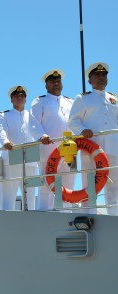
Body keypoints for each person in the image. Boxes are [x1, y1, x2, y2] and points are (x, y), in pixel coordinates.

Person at [68, 62, 118, 215]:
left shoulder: (114, 99)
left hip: (113, 148)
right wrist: (83, 130)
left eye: (104, 75)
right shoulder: (82, 99)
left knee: (114, 186)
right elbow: (72, 121)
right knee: (89, 184)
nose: (101, 77)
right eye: (97, 75)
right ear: (89, 80)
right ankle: (89, 216)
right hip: (91, 148)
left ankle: (114, 217)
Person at [0, 85, 52, 211]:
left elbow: (36, 128)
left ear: (25, 99)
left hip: (30, 162)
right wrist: (5, 142)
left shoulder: (30, 115)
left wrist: (43, 136)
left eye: (22, 96)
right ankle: (8, 222)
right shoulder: (4, 115)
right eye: (16, 96)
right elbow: (1, 131)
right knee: (9, 196)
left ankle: (31, 223)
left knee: (31, 196)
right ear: (11, 100)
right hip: (11, 160)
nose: (19, 98)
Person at [30, 69, 75, 211]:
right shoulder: (40, 101)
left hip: (70, 149)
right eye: (52, 81)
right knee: (47, 185)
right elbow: (32, 122)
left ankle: (67, 213)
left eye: (58, 81)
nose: (56, 84)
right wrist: (41, 135)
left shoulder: (70, 101)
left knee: (69, 184)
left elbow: (75, 122)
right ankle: (44, 215)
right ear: (46, 85)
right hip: (49, 149)